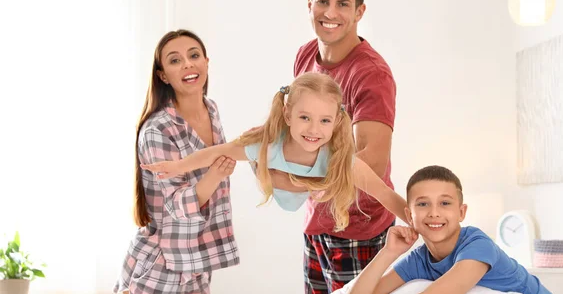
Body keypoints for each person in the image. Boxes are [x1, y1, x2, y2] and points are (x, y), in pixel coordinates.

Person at [342, 165, 563, 294]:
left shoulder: (477, 247)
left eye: (445, 203)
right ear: (409, 214)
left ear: (461, 212)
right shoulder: (419, 259)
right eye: (423, 204)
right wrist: (388, 253)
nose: (434, 213)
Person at [142, 72, 408, 234]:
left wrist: (417, 221)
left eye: (325, 121)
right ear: (288, 115)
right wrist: (178, 167)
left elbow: (384, 193)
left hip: (310, 186)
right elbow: (217, 152)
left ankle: (313, 184)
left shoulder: (339, 161)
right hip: (270, 169)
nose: (314, 129)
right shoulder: (268, 146)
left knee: (333, 182)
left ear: (337, 122)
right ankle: (285, 173)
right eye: (305, 117)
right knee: (251, 151)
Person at [290, 0, 399, 294]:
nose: (330, 13)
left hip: (360, 230)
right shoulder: (305, 55)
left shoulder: (371, 75)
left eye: (343, 4)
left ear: (360, 11)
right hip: (317, 223)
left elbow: (373, 159)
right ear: (309, 3)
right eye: (322, 1)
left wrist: (313, 178)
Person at [113, 29, 239, 294]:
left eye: (194, 55)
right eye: (175, 60)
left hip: (197, 258)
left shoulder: (212, 110)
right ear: (163, 75)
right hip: (161, 263)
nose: (187, 64)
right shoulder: (157, 129)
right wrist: (215, 175)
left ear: (206, 61)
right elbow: (175, 204)